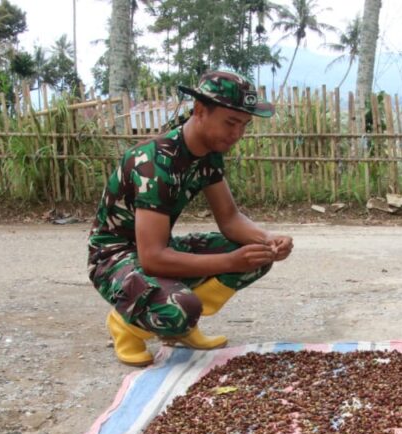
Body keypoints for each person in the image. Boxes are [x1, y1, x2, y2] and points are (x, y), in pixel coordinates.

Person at [88, 71, 293, 367]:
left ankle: (180, 328)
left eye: (244, 125)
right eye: (231, 122)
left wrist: (269, 240)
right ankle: (127, 322)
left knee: (258, 255)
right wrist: (231, 262)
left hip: (156, 250)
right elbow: (153, 258)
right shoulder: (155, 163)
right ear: (200, 111)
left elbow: (231, 218)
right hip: (113, 258)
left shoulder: (208, 153)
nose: (237, 134)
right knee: (181, 308)